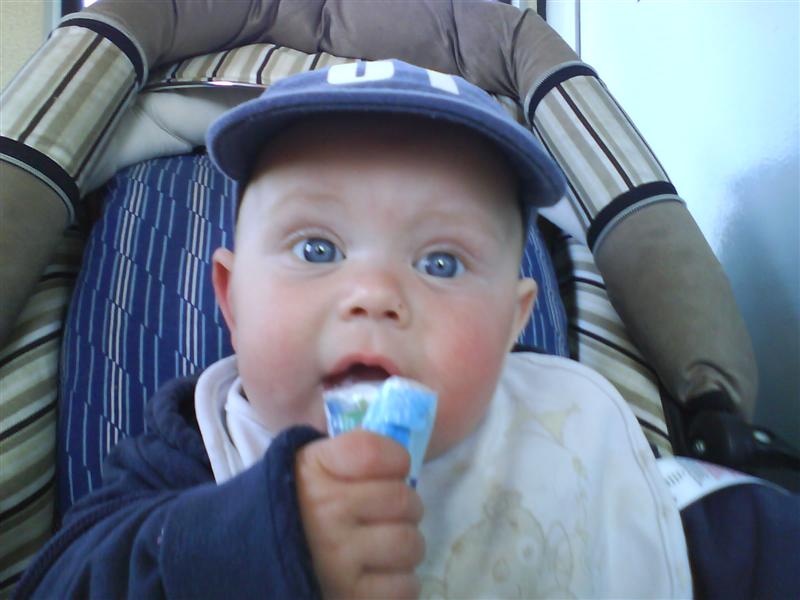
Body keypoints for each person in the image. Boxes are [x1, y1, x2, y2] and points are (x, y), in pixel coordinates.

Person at [14, 59, 702, 599]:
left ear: (512, 321)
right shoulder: (192, 449)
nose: (375, 294)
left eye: (440, 262)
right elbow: (58, 584)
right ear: (232, 301)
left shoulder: (574, 430)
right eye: (317, 249)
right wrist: (246, 541)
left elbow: (689, 531)